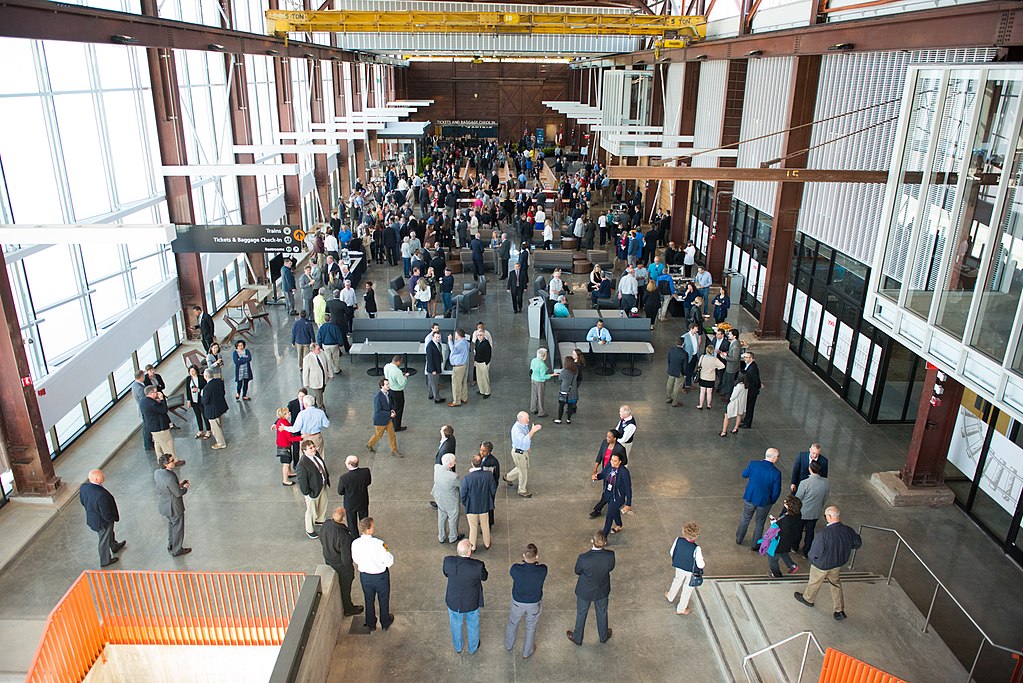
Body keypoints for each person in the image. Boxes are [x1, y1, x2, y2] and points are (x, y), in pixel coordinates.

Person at [794, 506, 862, 621]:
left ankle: (808, 599)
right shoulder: (848, 530)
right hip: (837, 563)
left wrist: (812, 559)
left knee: (814, 582)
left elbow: (815, 552)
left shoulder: (824, 534)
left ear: (829, 517)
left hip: (822, 564)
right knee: (835, 584)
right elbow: (857, 543)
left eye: (826, 516)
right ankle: (839, 610)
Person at [566, 530, 615, 646]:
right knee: (602, 612)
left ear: (592, 541)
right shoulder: (610, 555)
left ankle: (577, 638)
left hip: (585, 591)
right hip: (602, 590)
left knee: (581, 613)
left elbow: (577, 571)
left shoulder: (584, 558)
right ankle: (603, 636)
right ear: (605, 542)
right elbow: (611, 568)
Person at [443, 539, 488, 654]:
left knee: (455, 625)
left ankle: (458, 647)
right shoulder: (477, 566)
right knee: (473, 624)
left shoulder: (448, 561)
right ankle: (473, 647)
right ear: (469, 553)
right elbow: (484, 577)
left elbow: (446, 573)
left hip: (454, 601)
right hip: (471, 602)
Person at [351, 518, 395, 632]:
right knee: (383, 599)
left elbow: (355, 559)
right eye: (373, 526)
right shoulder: (380, 544)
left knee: (368, 599)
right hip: (380, 576)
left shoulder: (355, 543)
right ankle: (385, 622)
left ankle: (371, 623)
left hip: (365, 577)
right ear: (369, 530)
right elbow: (389, 561)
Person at [505, 543, 548, 658]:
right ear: (537, 556)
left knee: (513, 623)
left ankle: (509, 645)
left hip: (518, 602)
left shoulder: (515, 569)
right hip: (534, 603)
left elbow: (512, 574)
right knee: (531, 627)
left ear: (523, 555)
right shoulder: (542, 570)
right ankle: (526, 652)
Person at [320, 506, 364, 617]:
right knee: (345, 587)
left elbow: (321, 538)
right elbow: (346, 558)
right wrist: (349, 568)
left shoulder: (326, 525)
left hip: (329, 559)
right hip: (341, 566)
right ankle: (348, 608)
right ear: (343, 519)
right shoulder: (344, 536)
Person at [736, 448, 782, 550]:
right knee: (760, 523)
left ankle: (739, 539)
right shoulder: (776, 473)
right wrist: (771, 501)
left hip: (750, 497)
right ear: (774, 458)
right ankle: (755, 545)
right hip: (765, 502)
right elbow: (776, 492)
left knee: (745, 518)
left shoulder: (754, 464)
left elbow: (744, 474)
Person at [79, 469, 125, 567]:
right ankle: (105, 561)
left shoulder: (84, 487)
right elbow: (106, 513)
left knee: (110, 533)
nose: (104, 475)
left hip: (93, 517)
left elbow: (83, 501)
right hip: (103, 522)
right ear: (96, 479)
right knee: (103, 539)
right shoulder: (101, 495)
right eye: (101, 475)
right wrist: (110, 519)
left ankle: (114, 545)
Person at [665, 521, 705, 616]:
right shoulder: (696, 548)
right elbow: (700, 565)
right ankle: (681, 609)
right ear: (696, 535)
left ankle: (670, 596)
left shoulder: (678, 540)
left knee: (677, 580)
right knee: (687, 590)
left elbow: (672, 552)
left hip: (679, 566)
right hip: (691, 572)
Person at [154, 454, 190, 556]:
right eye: (171, 461)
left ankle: (171, 544)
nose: (174, 462)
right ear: (166, 464)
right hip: (174, 506)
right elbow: (178, 493)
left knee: (171, 524)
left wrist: (178, 485)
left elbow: (168, 487)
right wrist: (185, 488)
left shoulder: (157, 473)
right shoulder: (170, 477)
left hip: (164, 505)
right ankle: (177, 549)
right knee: (178, 528)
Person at [460, 455, 497, 551]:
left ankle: (472, 546)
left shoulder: (467, 478)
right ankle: (487, 543)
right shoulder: (488, 475)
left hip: (471, 506)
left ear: (472, 464)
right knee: (485, 525)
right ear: (481, 463)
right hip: (484, 504)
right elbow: (493, 489)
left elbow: (463, 493)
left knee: (473, 527)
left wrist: (465, 503)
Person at [296, 439, 330, 540]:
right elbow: (302, 482)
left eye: (313, 446)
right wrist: (308, 493)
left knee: (323, 505)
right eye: (310, 448)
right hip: (312, 491)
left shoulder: (316, 455)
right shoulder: (302, 465)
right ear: (304, 451)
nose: (314, 449)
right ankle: (310, 530)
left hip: (321, 487)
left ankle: (320, 520)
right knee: (311, 511)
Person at [795, 460, 831, 556]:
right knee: (810, 532)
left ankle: (795, 546)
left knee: (798, 530)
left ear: (810, 469)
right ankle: (806, 551)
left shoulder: (804, 483)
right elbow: (825, 497)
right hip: (815, 512)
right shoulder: (826, 482)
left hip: (802, 512)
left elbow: (798, 499)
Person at [589, 429, 627, 519]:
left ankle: (598, 509)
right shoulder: (604, 443)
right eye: (607, 436)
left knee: (608, 491)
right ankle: (616, 500)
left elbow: (624, 461)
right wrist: (595, 468)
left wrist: (615, 464)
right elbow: (599, 456)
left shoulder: (620, 448)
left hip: (614, 473)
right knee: (606, 489)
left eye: (609, 437)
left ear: (614, 438)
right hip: (605, 471)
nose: (607, 438)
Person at [141, 386, 181, 466]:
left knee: (158, 444)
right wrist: (162, 400)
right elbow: (164, 410)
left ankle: (161, 461)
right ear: (151, 393)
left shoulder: (143, 401)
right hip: (160, 427)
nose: (157, 393)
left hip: (152, 428)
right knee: (168, 444)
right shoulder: (152, 403)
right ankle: (173, 460)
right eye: (155, 392)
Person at [593, 454, 632, 538]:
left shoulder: (624, 472)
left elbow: (628, 488)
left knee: (609, 516)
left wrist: (628, 503)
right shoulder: (609, 466)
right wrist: (596, 477)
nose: (612, 462)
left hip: (617, 497)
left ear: (620, 462)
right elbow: (603, 474)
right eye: (611, 460)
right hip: (608, 494)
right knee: (614, 511)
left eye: (615, 461)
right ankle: (619, 525)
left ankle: (603, 537)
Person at [765, 496, 802, 577]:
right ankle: (791, 565)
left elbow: (783, 533)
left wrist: (774, 524)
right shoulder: (797, 514)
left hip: (780, 542)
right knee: (783, 552)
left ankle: (776, 574)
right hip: (789, 541)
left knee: (772, 557)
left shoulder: (786, 520)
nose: (784, 503)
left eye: (786, 503)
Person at [506, 411, 541, 499]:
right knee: (523, 472)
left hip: (522, 451)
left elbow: (526, 438)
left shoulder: (522, 425)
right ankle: (522, 490)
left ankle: (508, 477)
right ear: (520, 420)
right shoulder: (517, 429)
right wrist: (533, 431)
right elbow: (524, 440)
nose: (528, 420)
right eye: (526, 419)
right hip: (519, 453)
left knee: (521, 468)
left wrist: (527, 447)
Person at [337, 455, 372, 539]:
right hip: (363, 501)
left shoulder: (344, 478)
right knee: (364, 520)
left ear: (349, 464)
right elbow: (368, 482)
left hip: (350, 504)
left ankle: (355, 538)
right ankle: (366, 535)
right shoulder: (365, 471)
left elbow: (340, 492)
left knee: (352, 522)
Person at [365, 379, 401, 457]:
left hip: (388, 419)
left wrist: (392, 410)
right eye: (387, 384)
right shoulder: (378, 397)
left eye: (388, 384)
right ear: (382, 386)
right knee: (378, 435)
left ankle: (394, 451)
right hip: (381, 420)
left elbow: (390, 404)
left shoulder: (388, 393)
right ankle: (369, 444)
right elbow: (378, 411)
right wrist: (389, 413)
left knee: (392, 435)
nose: (388, 386)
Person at [434, 453, 462, 544]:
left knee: (441, 518)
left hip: (439, 498)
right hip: (451, 500)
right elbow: (460, 485)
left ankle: (441, 537)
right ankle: (453, 537)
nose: (455, 463)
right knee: (452, 519)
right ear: (450, 464)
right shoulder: (453, 476)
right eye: (454, 462)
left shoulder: (437, 468)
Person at [200, 368, 229, 450]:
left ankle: (221, 443)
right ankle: (221, 439)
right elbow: (223, 392)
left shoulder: (206, 389)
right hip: (220, 407)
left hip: (212, 411)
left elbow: (205, 401)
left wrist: (202, 395)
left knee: (215, 428)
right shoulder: (219, 381)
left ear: (205, 376)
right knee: (219, 424)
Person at [273, 407, 301, 486]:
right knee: (286, 463)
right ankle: (285, 480)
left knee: (288, 460)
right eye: (288, 413)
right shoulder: (285, 424)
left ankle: (289, 472)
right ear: (284, 415)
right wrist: (301, 437)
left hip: (282, 444)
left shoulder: (280, 421)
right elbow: (290, 437)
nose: (289, 413)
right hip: (284, 445)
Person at [382, 356, 409, 431]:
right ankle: (396, 427)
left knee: (392, 408)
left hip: (389, 390)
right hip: (397, 392)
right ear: (398, 361)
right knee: (398, 409)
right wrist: (405, 377)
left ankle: (391, 423)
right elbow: (402, 383)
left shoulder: (386, 366)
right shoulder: (397, 371)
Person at [721, 367, 750, 437]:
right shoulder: (746, 385)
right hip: (742, 402)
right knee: (739, 415)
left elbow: (733, 396)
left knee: (727, 416)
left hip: (734, 403)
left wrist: (730, 399)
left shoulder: (739, 386)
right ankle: (735, 428)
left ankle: (724, 431)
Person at [479, 441, 501, 528]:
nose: (481, 452)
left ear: (489, 451)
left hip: (489, 487)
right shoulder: (480, 457)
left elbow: (495, 477)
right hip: (482, 486)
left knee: (489, 505)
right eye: (481, 450)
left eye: (484, 451)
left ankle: (489, 523)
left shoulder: (493, 462)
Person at [696, 345, 725, 410]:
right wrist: (716, 368)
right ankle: (708, 405)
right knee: (709, 392)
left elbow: (699, 365)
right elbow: (722, 366)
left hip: (703, 377)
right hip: (711, 378)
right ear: (712, 351)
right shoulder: (715, 359)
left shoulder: (702, 357)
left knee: (702, 391)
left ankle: (700, 405)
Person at [529, 348, 556, 417]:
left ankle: (533, 409)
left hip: (533, 379)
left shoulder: (534, 360)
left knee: (534, 395)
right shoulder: (542, 365)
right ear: (543, 356)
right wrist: (552, 375)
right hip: (539, 382)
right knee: (540, 397)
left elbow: (532, 369)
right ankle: (541, 412)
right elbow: (543, 376)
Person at [447, 329, 470, 407]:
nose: (455, 335)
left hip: (458, 367)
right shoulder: (466, 342)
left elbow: (454, 350)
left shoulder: (460, 344)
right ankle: (464, 398)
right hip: (464, 365)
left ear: (458, 334)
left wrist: (450, 341)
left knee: (456, 384)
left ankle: (456, 401)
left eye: (456, 334)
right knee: (463, 382)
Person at [740, 350, 763, 428]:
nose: (745, 359)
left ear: (751, 358)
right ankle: (746, 419)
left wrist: (759, 385)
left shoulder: (752, 368)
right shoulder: (748, 365)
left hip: (752, 390)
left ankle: (747, 423)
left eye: (746, 357)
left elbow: (756, 380)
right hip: (749, 389)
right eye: (744, 357)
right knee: (748, 406)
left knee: (750, 407)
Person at [131, 370, 153, 450]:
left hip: (141, 409)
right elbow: (144, 401)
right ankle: (148, 444)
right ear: (141, 377)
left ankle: (148, 442)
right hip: (144, 410)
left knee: (146, 426)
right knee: (146, 427)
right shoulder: (140, 388)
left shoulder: (134, 385)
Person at [555, 355, 579, 424]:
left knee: (561, 406)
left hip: (564, 390)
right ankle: (568, 419)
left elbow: (560, 379)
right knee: (570, 406)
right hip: (573, 391)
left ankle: (559, 419)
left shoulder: (564, 371)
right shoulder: (575, 370)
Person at [720, 328, 743, 398]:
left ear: (734, 336)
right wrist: (727, 353)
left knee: (730, 382)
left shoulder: (735, 346)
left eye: (730, 334)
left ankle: (728, 396)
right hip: (729, 367)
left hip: (732, 368)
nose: (728, 335)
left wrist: (725, 357)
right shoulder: (734, 342)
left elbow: (735, 359)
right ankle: (724, 392)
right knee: (725, 379)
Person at [666, 336, 687, 408]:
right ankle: (674, 402)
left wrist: (670, 368)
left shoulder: (671, 350)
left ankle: (668, 398)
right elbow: (684, 366)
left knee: (669, 384)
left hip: (671, 370)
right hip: (679, 372)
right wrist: (684, 374)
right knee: (676, 387)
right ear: (683, 344)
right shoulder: (684, 354)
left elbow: (668, 360)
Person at [472, 326, 492, 399]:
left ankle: (487, 392)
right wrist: (475, 361)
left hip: (484, 363)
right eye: (478, 335)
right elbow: (475, 352)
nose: (479, 336)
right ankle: (481, 391)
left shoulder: (486, 343)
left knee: (485, 378)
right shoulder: (477, 342)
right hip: (478, 362)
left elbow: (489, 354)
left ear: (484, 335)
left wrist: (486, 363)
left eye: (481, 335)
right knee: (479, 377)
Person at [426, 330, 445, 403]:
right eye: (436, 337)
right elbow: (429, 359)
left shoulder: (438, 344)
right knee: (435, 384)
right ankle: (437, 398)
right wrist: (433, 370)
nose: (438, 338)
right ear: (433, 337)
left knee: (431, 382)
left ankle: (430, 395)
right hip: (433, 369)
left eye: (439, 337)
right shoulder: (430, 346)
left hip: (436, 367)